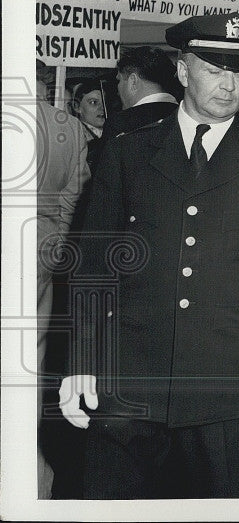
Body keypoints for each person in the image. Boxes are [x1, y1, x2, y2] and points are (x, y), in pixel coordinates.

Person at [59, 13, 239, 498]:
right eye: (214, 71)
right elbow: (94, 264)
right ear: (183, 71)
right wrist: (81, 357)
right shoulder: (128, 152)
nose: (229, 87)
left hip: (229, 385)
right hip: (130, 378)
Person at [35, 60, 91, 499]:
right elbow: (75, 193)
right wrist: (56, 241)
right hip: (45, 251)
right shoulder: (67, 126)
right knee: (30, 364)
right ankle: (34, 472)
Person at [102, 47, 179, 140]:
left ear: (133, 81)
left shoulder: (120, 124)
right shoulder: (185, 116)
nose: (118, 91)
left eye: (119, 80)